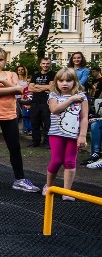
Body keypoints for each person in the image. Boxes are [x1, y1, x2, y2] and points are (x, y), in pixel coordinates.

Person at [0, 48, 39, 192]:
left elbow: (20, 91)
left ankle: (20, 179)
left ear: (5, 61)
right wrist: (13, 88)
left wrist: (3, 81)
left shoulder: (11, 74)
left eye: (0, 60)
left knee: (15, 147)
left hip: (9, 115)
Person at [43, 68, 89, 199]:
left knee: (70, 162)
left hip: (73, 135)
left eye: (68, 80)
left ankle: (66, 191)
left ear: (75, 82)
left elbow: (84, 117)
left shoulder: (82, 97)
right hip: (56, 134)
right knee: (57, 160)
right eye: (61, 80)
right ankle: (49, 186)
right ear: (56, 82)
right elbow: (54, 109)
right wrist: (70, 99)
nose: (64, 83)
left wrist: (82, 135)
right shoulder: (54, 95)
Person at [28, 57, 55, 147]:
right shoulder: (35, 75)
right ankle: (35, 141)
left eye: (47, 63)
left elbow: (51, 87)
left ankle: (47, 142)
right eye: (43, 63)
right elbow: (30, 88)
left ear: (50, 64)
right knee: (34, 122)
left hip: (46, 102)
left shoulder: (52, 74)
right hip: (35, 102)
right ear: (40, 64)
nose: (45, 65)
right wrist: (44, 87)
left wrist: (37, 86)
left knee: (47, 123)